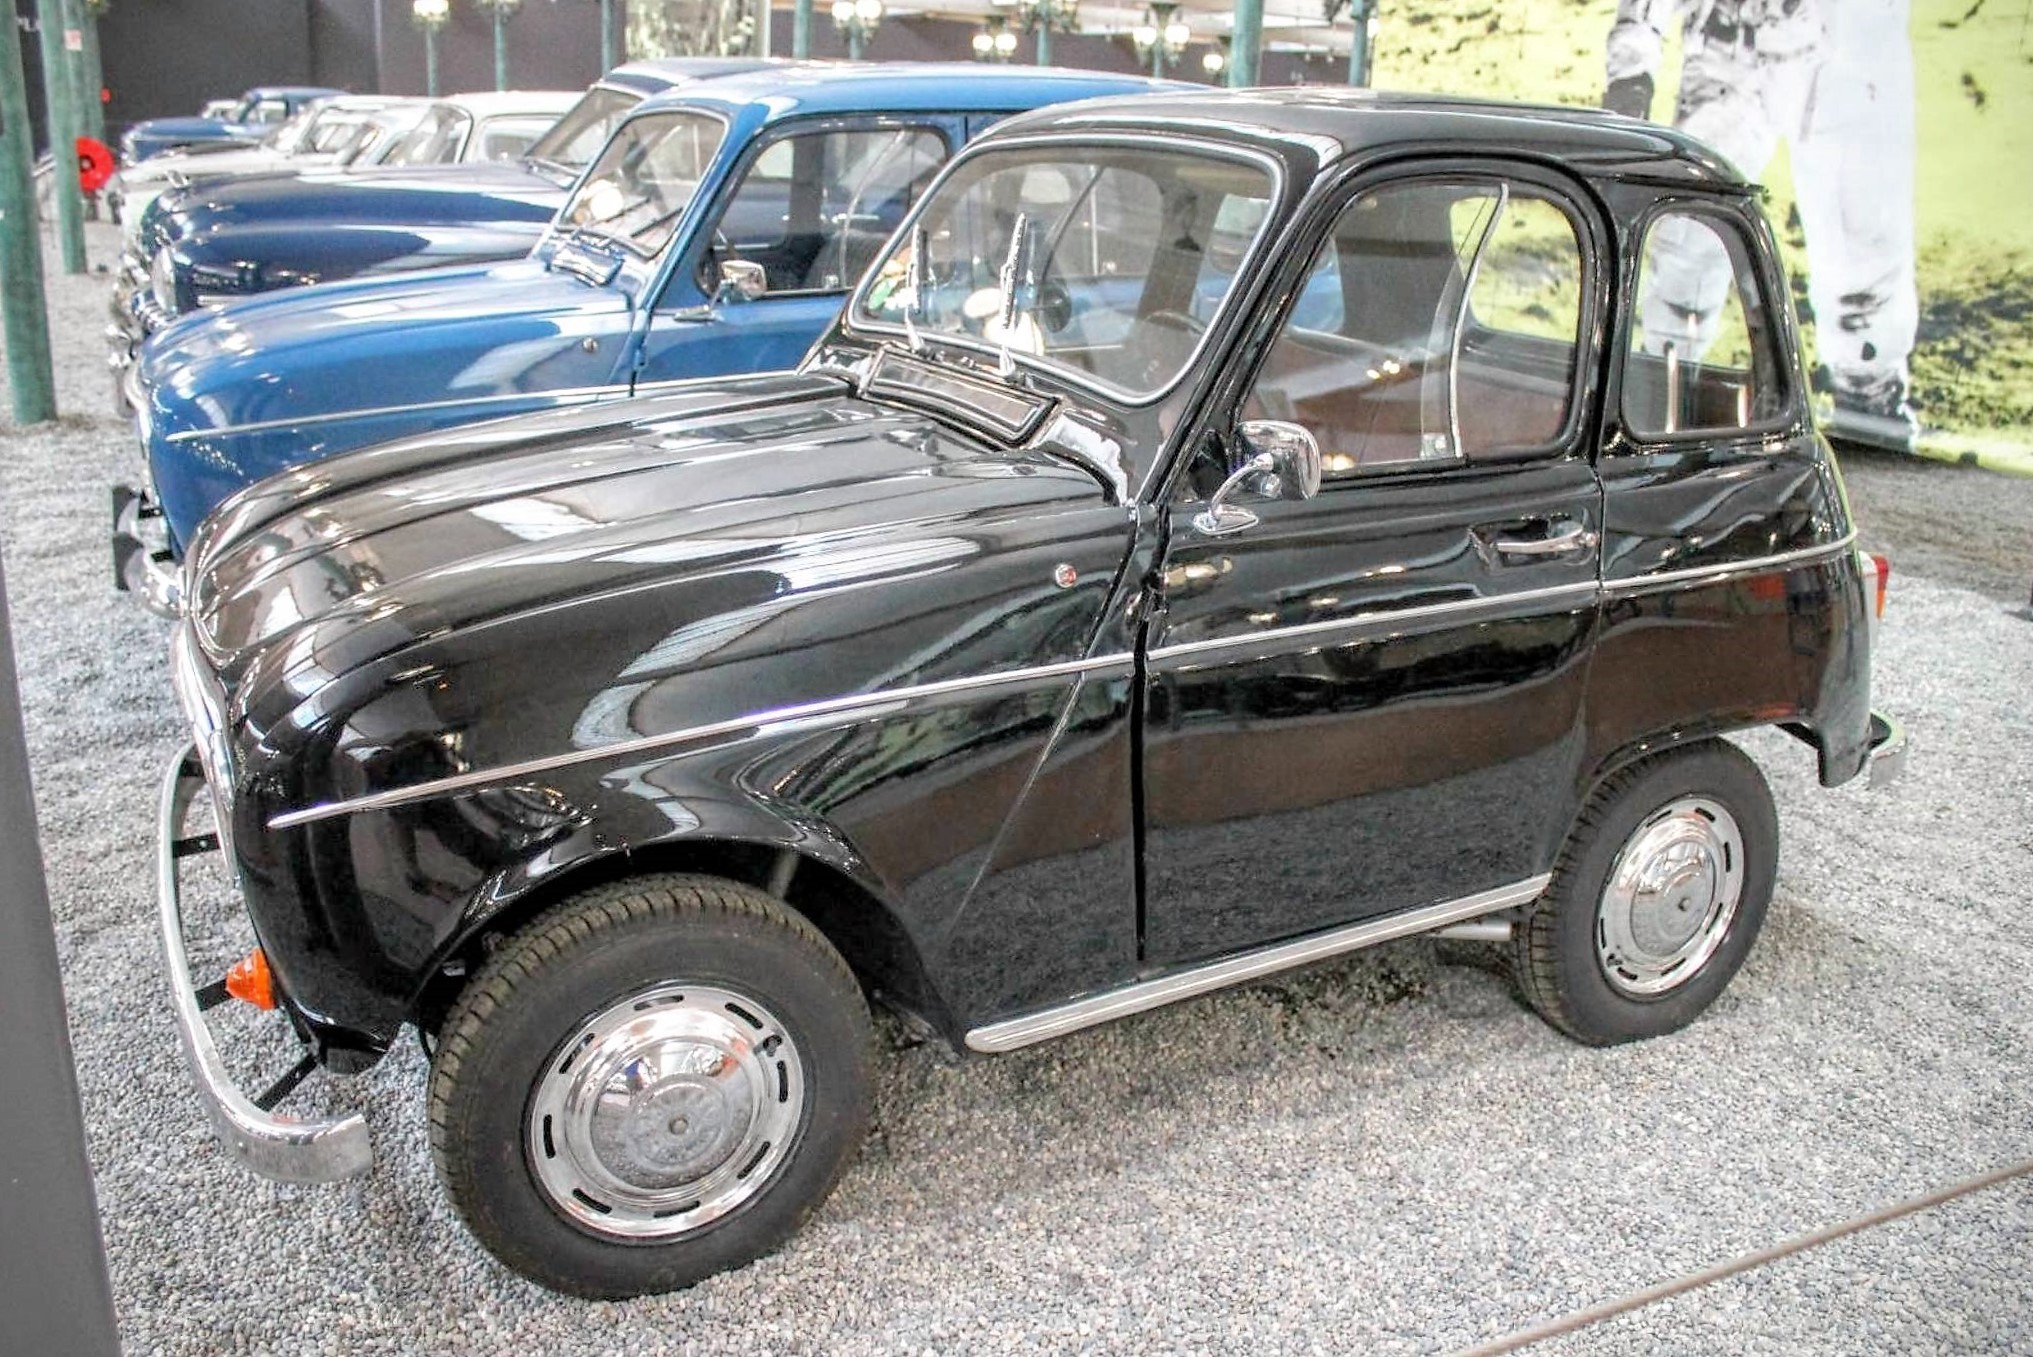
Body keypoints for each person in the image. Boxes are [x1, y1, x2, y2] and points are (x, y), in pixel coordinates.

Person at [1605, 0, 1920, 449]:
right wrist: (1632, 68)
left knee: (1862, 268)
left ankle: (1872, 418)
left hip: (1836, 47)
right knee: (1686, 259)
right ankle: (1661, 410)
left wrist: (1632, 66)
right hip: (1731, 46)